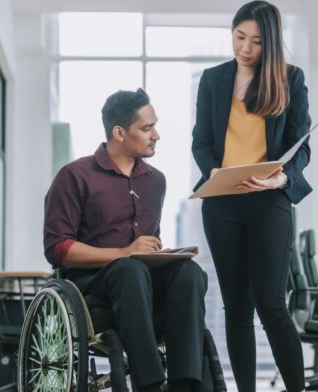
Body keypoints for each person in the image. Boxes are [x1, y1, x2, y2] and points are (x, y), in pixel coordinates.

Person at [44, 88, 207, 392]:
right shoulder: (75, 175)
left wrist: (162, 255)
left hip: (140, 280)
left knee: (189, 272)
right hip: (92, 285)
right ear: (119, 132)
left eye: (155, 125)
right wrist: (124, 253)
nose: (156, 135)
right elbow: (59, 249)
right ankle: (149, 384)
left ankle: (186, 385)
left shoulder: (155, 180)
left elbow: (148, 241)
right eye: (146, 128)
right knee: (129, 269)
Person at [191, 1, 312, 391]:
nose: (244, 48)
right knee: (236, 309)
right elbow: (201, 142)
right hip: (222, 202)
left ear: (271, 43)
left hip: (269, 201)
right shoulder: (213, 79)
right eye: (239, 37)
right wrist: (213, 170)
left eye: (256, 42)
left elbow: (302, 145)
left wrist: (281, 180)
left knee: (272, 306)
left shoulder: (290, 80)